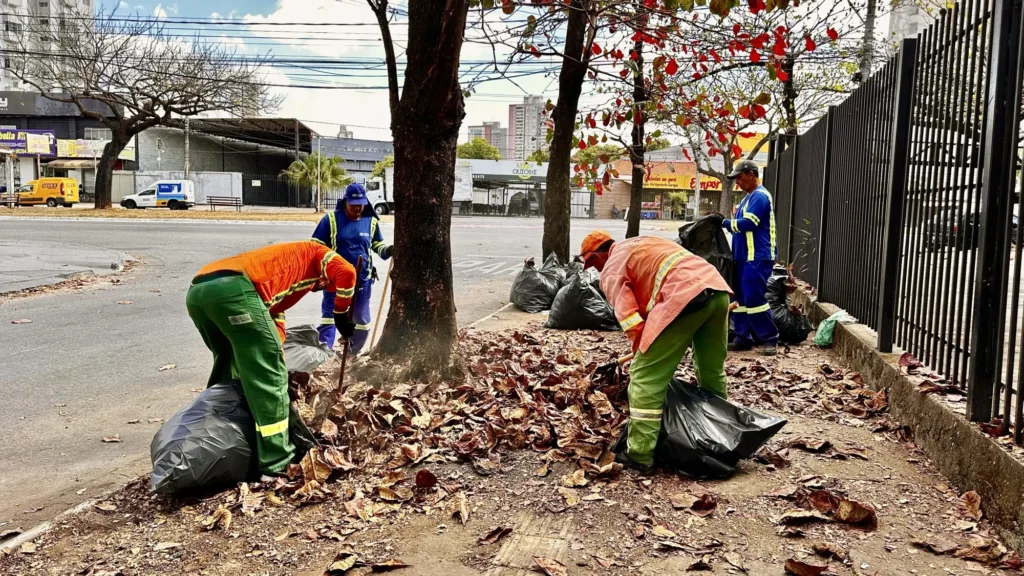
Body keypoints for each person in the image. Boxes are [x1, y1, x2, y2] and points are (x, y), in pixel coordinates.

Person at [186, 241, 357, 475]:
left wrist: (275, 354)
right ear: (326, 274)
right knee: (268, 380)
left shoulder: (279, 275)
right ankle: (277, 461)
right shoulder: (318, 253)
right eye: (327, 284)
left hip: (199, 293)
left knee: (229, 366)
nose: (322, 287)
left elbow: (272, 319)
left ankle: (214, 440)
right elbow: (348, 272)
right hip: (234, 290)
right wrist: (341, 313)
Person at [580, 230, 733, 475]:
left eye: (592, 261)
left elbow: (630, 320)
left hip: (683, 299)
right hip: (716, 291)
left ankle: (639, 454)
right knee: (711, 369)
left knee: (644, 377)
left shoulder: (611, 267)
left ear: (600, 253)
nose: (595, 268)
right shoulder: (641, 243)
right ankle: (723, 436)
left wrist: (642, 355)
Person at [312, 183, 392, 353]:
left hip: (362, 282)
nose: (357, 208)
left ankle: (350, 354)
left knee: (361, 322)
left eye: (360, 204)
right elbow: (315, 248)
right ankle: (324, 356)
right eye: (353, 205)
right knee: (330, 319)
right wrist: (319, 274)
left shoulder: (370, 221)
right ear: (345, 202)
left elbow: (378, 246)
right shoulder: (331, 220)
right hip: (335, 282)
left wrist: (389, 250)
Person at [721, 159, 779, 356]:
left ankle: (769, 339)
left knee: (754, 298)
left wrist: (725, 223)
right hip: (744, 258)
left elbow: (749, 223)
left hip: (758, 257)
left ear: (751, 174)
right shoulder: (748, 198)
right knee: (740, 299)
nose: (738, 182)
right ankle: (742, 337)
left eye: (740, 177)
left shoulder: (760, 197)